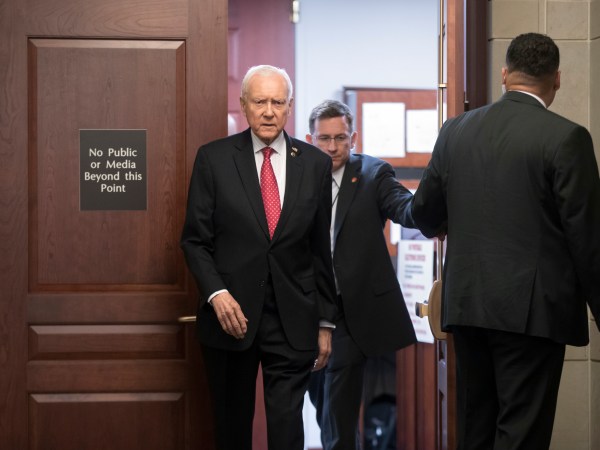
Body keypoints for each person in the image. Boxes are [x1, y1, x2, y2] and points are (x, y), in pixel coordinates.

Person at [412, 33, 600, 450]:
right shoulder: (567, 138)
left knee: (476, 429)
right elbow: (588, 241)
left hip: (468, 309)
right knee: (521, 434)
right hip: (532, 316)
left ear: (504, 75)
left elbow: (423, 214)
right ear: (556, 80)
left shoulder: (456, 130)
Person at [180, 65, 338, 450]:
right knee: (232, 428)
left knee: (287, 430)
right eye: (260, 101)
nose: (269, 111)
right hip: (230, 318)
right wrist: (217, 294)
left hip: (292, 319)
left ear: (289, 107)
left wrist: (325, 321)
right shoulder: (213, 160)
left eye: (277, 102)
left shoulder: (315, 164)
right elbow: (194, 241)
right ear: (243, 105)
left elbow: (320, 249)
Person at [306, 99, 417, 450]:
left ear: (354, 138)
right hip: (307, 308)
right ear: (311, 139)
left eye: (340, 138)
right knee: (322, 400)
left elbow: (405, 208)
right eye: (325, 139)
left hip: (350, 311)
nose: (333, 147)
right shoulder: (297, 177)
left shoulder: (373, 174)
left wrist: (436, 212)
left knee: (337, 406)